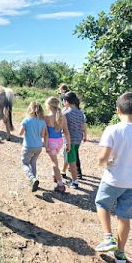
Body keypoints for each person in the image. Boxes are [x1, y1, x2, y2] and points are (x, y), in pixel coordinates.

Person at [94, 92, 132, 263]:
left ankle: (108, 238)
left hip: (113, 179)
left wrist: (106, 161)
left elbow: (102, 159)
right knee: (124, 216)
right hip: (131, 183)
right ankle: (121, 253)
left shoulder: (112, 129)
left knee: (101, 203)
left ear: (118, 110)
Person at [19, 102, 47, 192]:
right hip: (38, 146)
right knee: (33, 163)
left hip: (28, 146)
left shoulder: (26, 120)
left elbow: (20, 133)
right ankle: (34, 181)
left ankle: (32, 178)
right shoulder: (42, 122)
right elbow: (42, 135)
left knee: (25, 163)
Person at [44, 97, 71, 193]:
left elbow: (45, 133)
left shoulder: (46, 117)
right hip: (60, 141)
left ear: (49, 106)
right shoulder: (62, 116)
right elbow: (66, 132)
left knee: (54, 163)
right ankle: (55, 175)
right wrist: (69, 144)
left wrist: (45, 144)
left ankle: (60, 184)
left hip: (51, 142)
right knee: (54, 160)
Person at [62, 92, 86, 189]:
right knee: (69, 156)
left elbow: (63, 127)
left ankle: (75, 181)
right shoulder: (81, 113)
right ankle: (63, 171)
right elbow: (83, 126)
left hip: (69, 140)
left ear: (67, 101)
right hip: (78, 139)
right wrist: (84, 135)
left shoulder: (66, 113)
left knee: (72, 160)